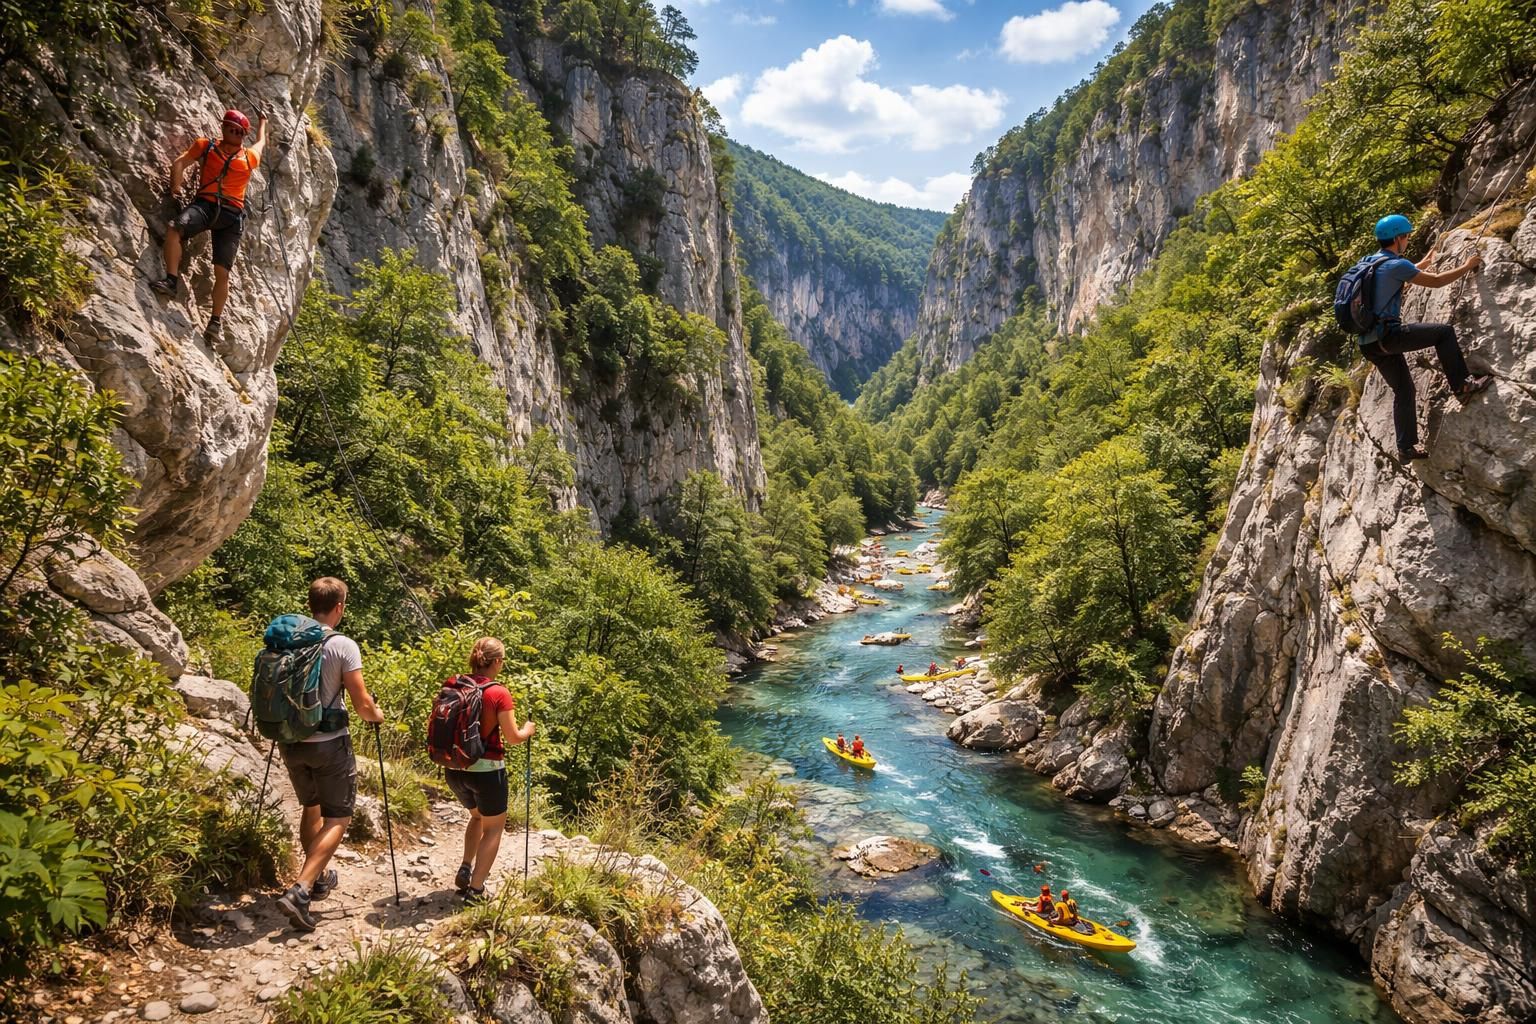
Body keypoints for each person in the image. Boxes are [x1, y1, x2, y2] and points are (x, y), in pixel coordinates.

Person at [275, 577, 384, 932]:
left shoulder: (287, 641)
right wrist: (376, 715)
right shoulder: (342, 645)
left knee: (312, 807)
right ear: (339, 606)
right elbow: (361, 702)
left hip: (290, 740)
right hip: (328, 743)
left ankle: (317, 878)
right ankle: (302, 889)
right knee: (338, 817)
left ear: (311, 604)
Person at [1357, 214, 1492, 461]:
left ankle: (1405, 448)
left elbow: (1399, 274)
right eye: (1406, 236)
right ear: (1398, 238)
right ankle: (1462, 385)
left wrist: (1425, 261)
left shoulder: (1369, 262)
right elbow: (1437, 282)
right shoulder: (1396, 265)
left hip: (1369, 343)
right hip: (1389, 336)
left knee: (1404, 390)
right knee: (1443, 333)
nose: (1407, 240)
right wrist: (1467, 266)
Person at [150, 108, 270, 341]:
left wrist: (263, 122)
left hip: (231, 215)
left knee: (222, 272)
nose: (235, 133)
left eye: (239, 132)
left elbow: (262, 141)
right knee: (175, 228)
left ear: (244, 135)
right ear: (223, 128)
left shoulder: (250, 157)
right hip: (206, 206)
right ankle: (171, 281)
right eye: (232, 129)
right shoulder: (206, 145)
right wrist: (175, 189)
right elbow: (180, 163)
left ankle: (215, 322)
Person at [445, 637, 536, 905]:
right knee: (494, 828)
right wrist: (528, 730)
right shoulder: (498, 693)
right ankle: (476, 890)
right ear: (496, 662)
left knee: (476, 818)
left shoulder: (454, 684)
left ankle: (465, 866)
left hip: (455, 768)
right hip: (487, 772)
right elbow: (513, 737)